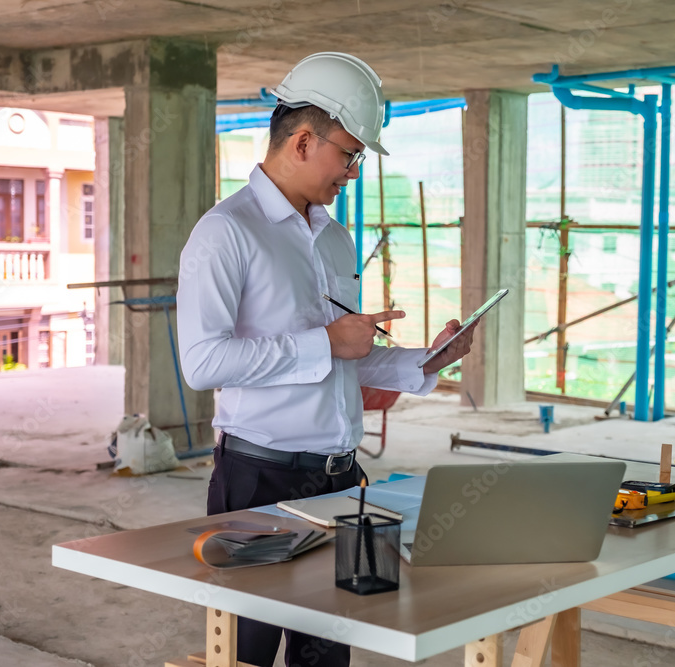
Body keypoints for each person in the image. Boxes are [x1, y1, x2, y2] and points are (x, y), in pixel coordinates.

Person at [176, 52, 474, 667]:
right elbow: (203, 362)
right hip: (257, 481)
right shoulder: (226, 232)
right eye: (350, 154)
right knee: (246, 653)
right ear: (304, 140)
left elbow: (342, 359)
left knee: (327, 653)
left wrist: (425, 360)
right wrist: (327, 342)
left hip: (340, 480)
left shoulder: (332, 236)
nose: (353, 172)